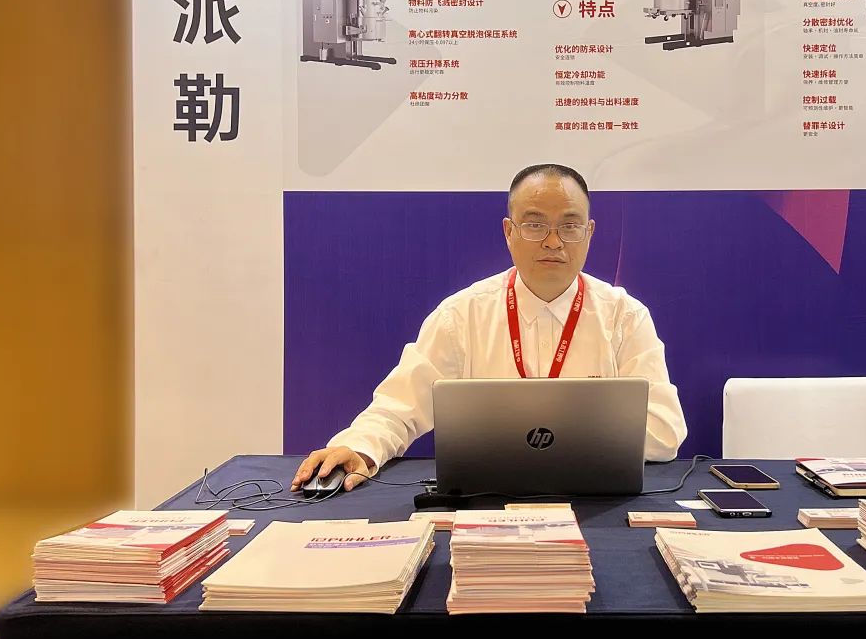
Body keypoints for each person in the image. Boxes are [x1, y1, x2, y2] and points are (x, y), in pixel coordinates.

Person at [291, 163, 687, 492]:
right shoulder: (463, 315)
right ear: (509, 232)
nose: (553, 242)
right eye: (535, 225)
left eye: (569, 226)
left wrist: (561, 440)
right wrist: (359, 447)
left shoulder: (624, 316)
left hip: (597, 501)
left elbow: (665, 431)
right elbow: (398, 407)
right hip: (485, 500)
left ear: (589, 233)